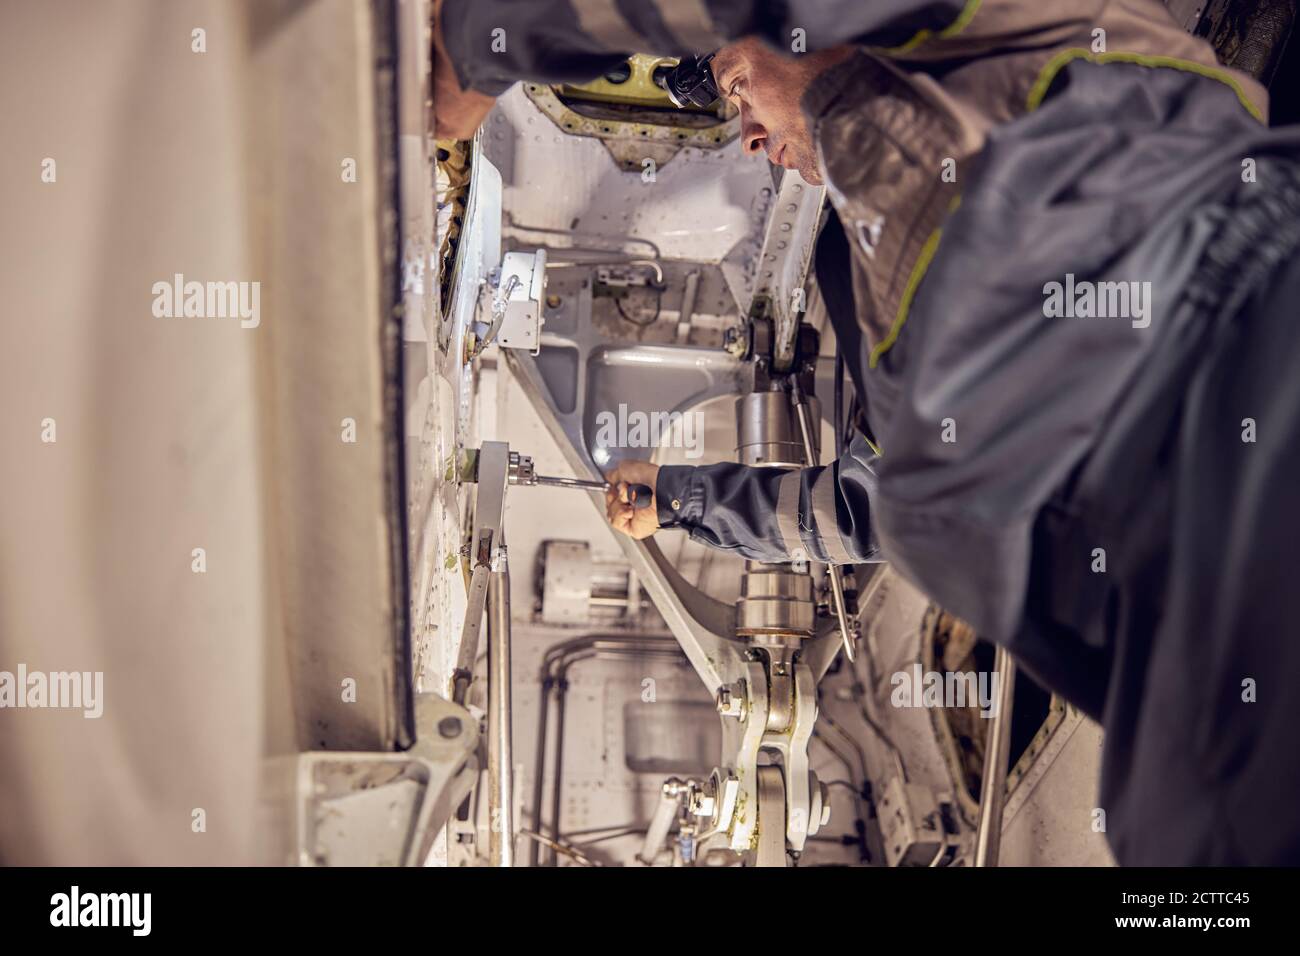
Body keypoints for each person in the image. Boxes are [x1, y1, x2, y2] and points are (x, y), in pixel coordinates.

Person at [435, 0, 1300, 864]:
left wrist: (481, 47)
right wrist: (680, 500)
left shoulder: (1009, 37)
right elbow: (858, 512)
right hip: (1178, 702)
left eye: (740, 88)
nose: (748, 138)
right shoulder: (877, 255)